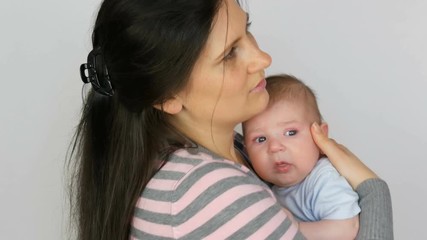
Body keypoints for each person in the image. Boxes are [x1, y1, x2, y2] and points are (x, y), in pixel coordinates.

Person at [69, 0, 394, 239]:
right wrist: (372, 188)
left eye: (247, 31)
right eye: (229, 53)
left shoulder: (231, 153)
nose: (263, 58)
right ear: (167, 97)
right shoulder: (208, 193)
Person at [243, 74, 360, 239]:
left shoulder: (322, 179)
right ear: (246, 150)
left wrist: (292, 228)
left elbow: (348, 228)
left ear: (319, 136)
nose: (275, 147)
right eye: (260, 139)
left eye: (291, 132)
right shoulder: (266, 189)